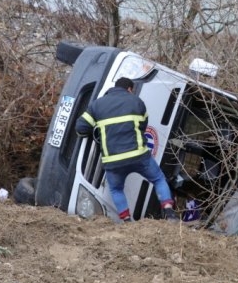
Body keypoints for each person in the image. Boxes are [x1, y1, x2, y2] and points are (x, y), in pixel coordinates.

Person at [75, 77, 178, 222]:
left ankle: (127, 221)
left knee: (116, 190)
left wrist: (94, 131)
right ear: (129, 89)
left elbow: (80, 128)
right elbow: (142, 127)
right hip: (139, 155)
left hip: (113, 160)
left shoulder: (97, 105)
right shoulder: (137, 102)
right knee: (159, 179)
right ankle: (169, 212)